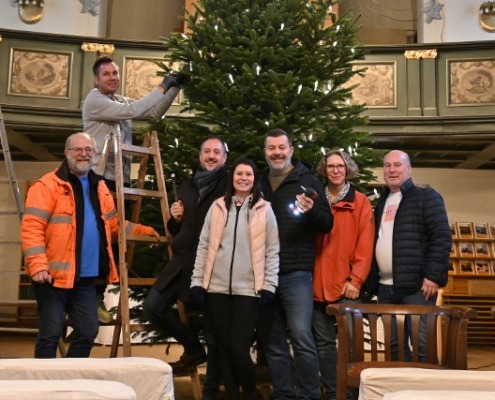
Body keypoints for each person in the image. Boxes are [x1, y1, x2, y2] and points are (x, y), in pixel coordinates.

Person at [20, 132, 160, 358]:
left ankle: (70, 375)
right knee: (50, 334)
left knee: (87, 331)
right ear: (66, 153)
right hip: (52, 276)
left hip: (84, 277)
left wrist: (145, 231)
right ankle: (45, 381)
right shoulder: (47, 185)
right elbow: (32, 227)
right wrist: (37, 265)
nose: (83, 154)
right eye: (78, 149)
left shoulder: (99, 187)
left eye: (88, 150)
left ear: (94, 154)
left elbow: (113, 225)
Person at [142, 137, 228, 399]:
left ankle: (211, 389)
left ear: (224, 158)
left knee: (214, 331)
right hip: (181, 259)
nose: (211, 156)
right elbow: (176, 227)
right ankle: (193, 348)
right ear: (200, 156)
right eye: (207, 151)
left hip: (211, 263)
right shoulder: (189, 185)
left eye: (216, 152)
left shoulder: (229, 184)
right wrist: (175, 218)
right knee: (152, 307)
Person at [191, 157, 280, 400]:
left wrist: (269, 285)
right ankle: (232, 395)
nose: (243, 178)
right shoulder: (218, 207)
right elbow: (204, 245)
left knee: (239, 350)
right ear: (232, 178)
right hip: (216, 289)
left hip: (248, 291)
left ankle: (251, 394)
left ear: (254, 179)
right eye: (239, 174)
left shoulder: (264, 209)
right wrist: (197, 281)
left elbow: (272, 251)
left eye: (248, 174)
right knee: (223, 351)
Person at [257, 128, 333, 400]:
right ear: (265, 152)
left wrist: (310, 211)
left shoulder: (308, 180)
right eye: (271, 148)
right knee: (273, 342)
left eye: (281, 147)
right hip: (264, 274)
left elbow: (327, 223)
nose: (277, 153)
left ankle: (309, 395)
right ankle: (283, 394)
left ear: (291, 150)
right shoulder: (258, 182)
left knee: (302, 338)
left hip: (296, 273)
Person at [368, 150, 451, 359]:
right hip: (386, 288)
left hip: (417, 288)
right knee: (393, 348)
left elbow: (441, 237)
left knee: (423, 346)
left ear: (409, 169)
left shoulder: (426, 196)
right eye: (387, 165)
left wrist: (433, 276)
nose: (392, 170)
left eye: (397, 165)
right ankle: (399, 382)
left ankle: (427, 382)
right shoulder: (383, 200)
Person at [312, 150, 375, 400]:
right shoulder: (316, 199)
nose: (335, 170)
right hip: (317, 286)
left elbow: (365, 245)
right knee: (324, 346)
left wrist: (356, 279)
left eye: (340, 166)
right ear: (324, 170)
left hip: (347, 286)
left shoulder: (360, 202)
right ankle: (333, 392)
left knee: (350, 346)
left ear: (347, 169)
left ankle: (350, 394)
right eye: (331, 166)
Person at [82, 55, 181, 191]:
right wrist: (162, 87)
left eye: (115, 73)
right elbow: (133, 110)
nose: (112, 77)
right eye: (106, 74)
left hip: (122, 179)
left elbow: (154, 113)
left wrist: (175, 88)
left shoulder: (121, 101)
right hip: (99, 176)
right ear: (96, 79)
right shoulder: (94, 99)